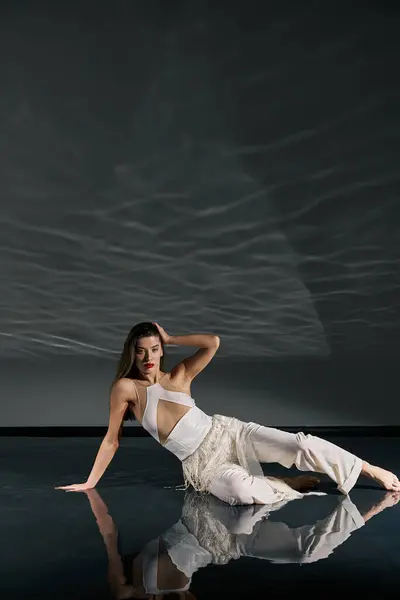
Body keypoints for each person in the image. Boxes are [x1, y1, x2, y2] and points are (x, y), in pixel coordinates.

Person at [56, 322, 400, 504]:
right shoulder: (126, 389)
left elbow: (213, 342)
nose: (149, 357)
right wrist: (90, 482)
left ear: (161, 351)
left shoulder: (179, 375)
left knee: (301, 444)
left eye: (155, 350)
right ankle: (284, 484)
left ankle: (369, 470)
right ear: (132, 353)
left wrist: (172, 337)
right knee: (242, 494)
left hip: (229, 432)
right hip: (202, 463)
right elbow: (111, 441)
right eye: (142, 351)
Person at [84, 486, 400, 599]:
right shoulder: (165, 592)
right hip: (230, 546)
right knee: (307, 551)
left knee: (261, 499)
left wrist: (94, 498)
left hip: (201, 525)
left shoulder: (127, 589)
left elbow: (111, 542)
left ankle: (285, 485)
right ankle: (371, 510)